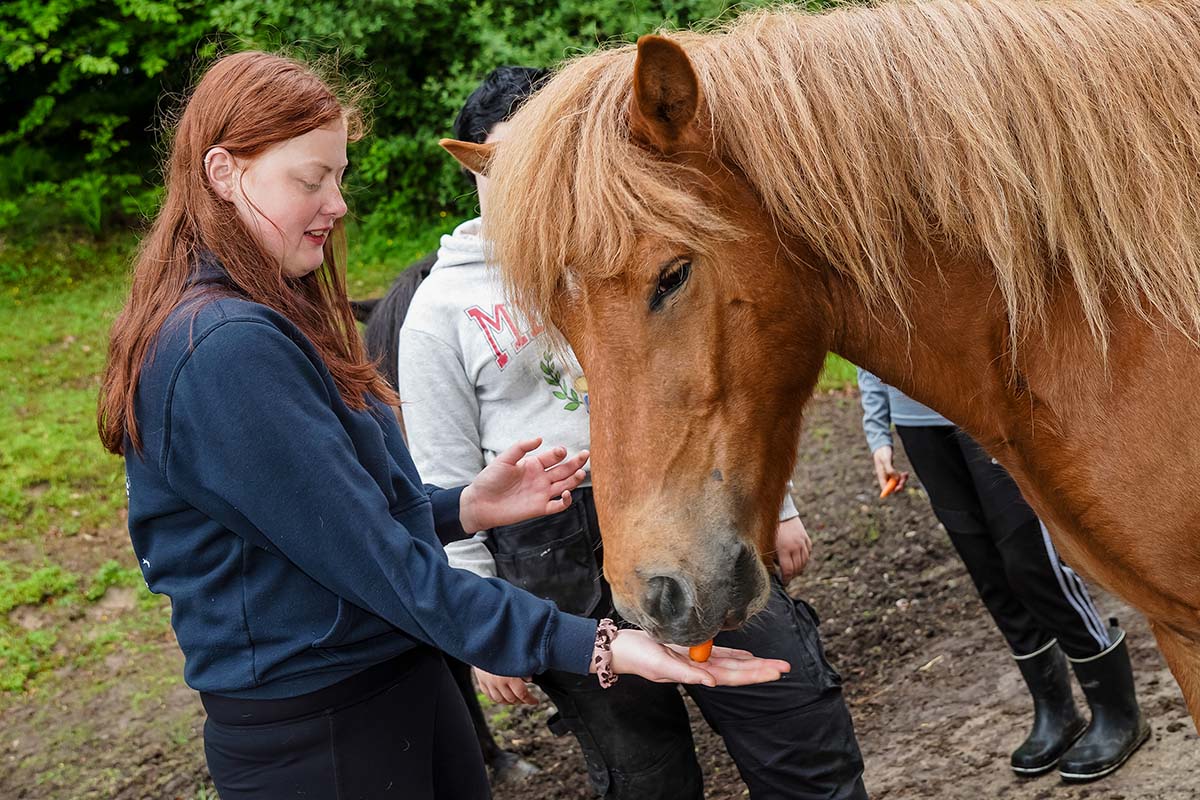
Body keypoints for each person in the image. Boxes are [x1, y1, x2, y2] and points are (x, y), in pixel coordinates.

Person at [96, 51, 791, 800]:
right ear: (225, 172)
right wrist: (602, 645)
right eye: (310, 179)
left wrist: (463, 507)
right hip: (323, 738)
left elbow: (324, 523)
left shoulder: (265, 318)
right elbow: (381, 569)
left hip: (395, 690)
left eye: (339, 177)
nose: (337, 203)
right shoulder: (224, 351)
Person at [397, 65, 867, 800]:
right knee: (643, 776)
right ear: (477, 165)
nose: (533, 181)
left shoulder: (621, 251)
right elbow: (442, 469)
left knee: (796, 721)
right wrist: (482, 621)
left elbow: (713, 382)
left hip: (678, 502)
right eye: (509, 161)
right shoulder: (441, 307)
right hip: (549, 552)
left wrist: (783, 504)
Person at [856, 368, 1150, 782]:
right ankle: (1055, 711)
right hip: (916, 425)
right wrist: (878, 433)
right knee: (987, 570)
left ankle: (1118, 711)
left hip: (982, 408)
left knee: (1030, 561)